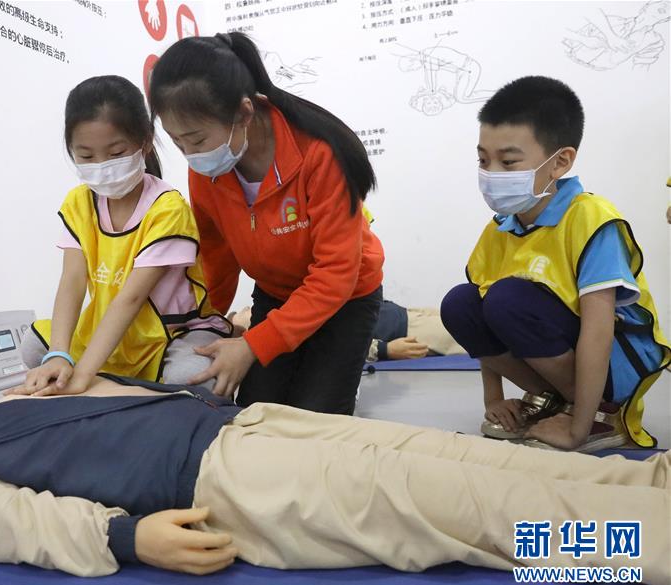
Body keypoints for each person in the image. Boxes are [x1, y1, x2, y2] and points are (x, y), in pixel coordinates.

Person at [0, 379, 671, 585]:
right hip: (229, 480)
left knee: (462, 456)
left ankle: (650, 484)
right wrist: (127, 537)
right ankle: (646, 546)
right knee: (471, 514)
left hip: (251, 425)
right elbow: (22, 525)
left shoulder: (15, 405)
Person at [147, 32, 385, 414]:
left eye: (197, 139)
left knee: (313, 419)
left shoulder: (318, 155)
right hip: (276, 294)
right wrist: (203, 324)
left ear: (244, 112)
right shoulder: (206, 172)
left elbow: (336, 274)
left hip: (346, 299)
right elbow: (216, 258)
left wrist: (253, 345)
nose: (191, 155)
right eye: (178, 143)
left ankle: (339, 382)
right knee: (256, 411)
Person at [440, 76, 670, 452]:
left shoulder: (590, 219)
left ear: (560, 162)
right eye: (483, 160)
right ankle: (557, 401)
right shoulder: (499, 229)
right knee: (461, 303)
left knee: (507, 299)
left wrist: (578, 430)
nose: (492, 173)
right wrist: (493, 400)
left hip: (617, 362)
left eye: (508, 162)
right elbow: (478, 313)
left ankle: (600, 415)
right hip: (567, 359)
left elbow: (599, 330)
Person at [17, 76, 230, 396]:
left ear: (145, 143)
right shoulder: (79, 202)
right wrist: (58, 355)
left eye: (116, 153)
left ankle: (109, 380)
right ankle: (110, 379)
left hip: (169, 333)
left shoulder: (167, 208)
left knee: (191, 376)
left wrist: (83, 376)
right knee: (35, 347)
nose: (101, 166)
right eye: (86, 156)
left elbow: (131, 299)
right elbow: (72, 281)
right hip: (109, 326)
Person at [230, 302, 465, 362]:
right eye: (242, 312)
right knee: (476, 333)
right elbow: (333, 343)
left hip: (403, 313)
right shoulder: (282, 333)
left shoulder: (282, 312)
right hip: (407, 331)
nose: (247, 308)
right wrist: (384, 350)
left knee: (467, 314)